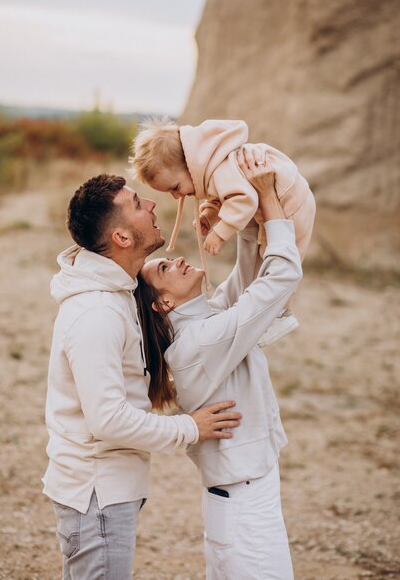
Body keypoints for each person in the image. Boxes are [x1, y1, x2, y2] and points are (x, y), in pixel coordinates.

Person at [42, 174, 242, 580]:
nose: (151, 205)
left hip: (107, 490)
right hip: (96, 492)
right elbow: (108, 420)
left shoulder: (118, 291)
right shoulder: (97, 313)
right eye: (137, 204)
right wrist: (190, 428)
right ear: (121, 237)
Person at [135, 150, 302, 580]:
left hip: (242, 494)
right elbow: (279, 279)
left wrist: (243, 225)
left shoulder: (201, 326)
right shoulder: (200, 342)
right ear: (164, 302)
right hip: (244, 503)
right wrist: (269, 201)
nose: (179, 259)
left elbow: (244, 283)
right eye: (166, 267)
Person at [130, 117, 315, 347]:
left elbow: (243, 199)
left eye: (175, 188)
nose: (177, 196)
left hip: (290, 200)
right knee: (260, 264)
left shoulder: (221, 170)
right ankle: (267, 311)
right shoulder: (211, 168)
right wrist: (209, 215)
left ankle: (279, 313)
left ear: (190, 164)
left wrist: (220, 232)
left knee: (279, 260)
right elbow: (222, 197)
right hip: (276, 201)